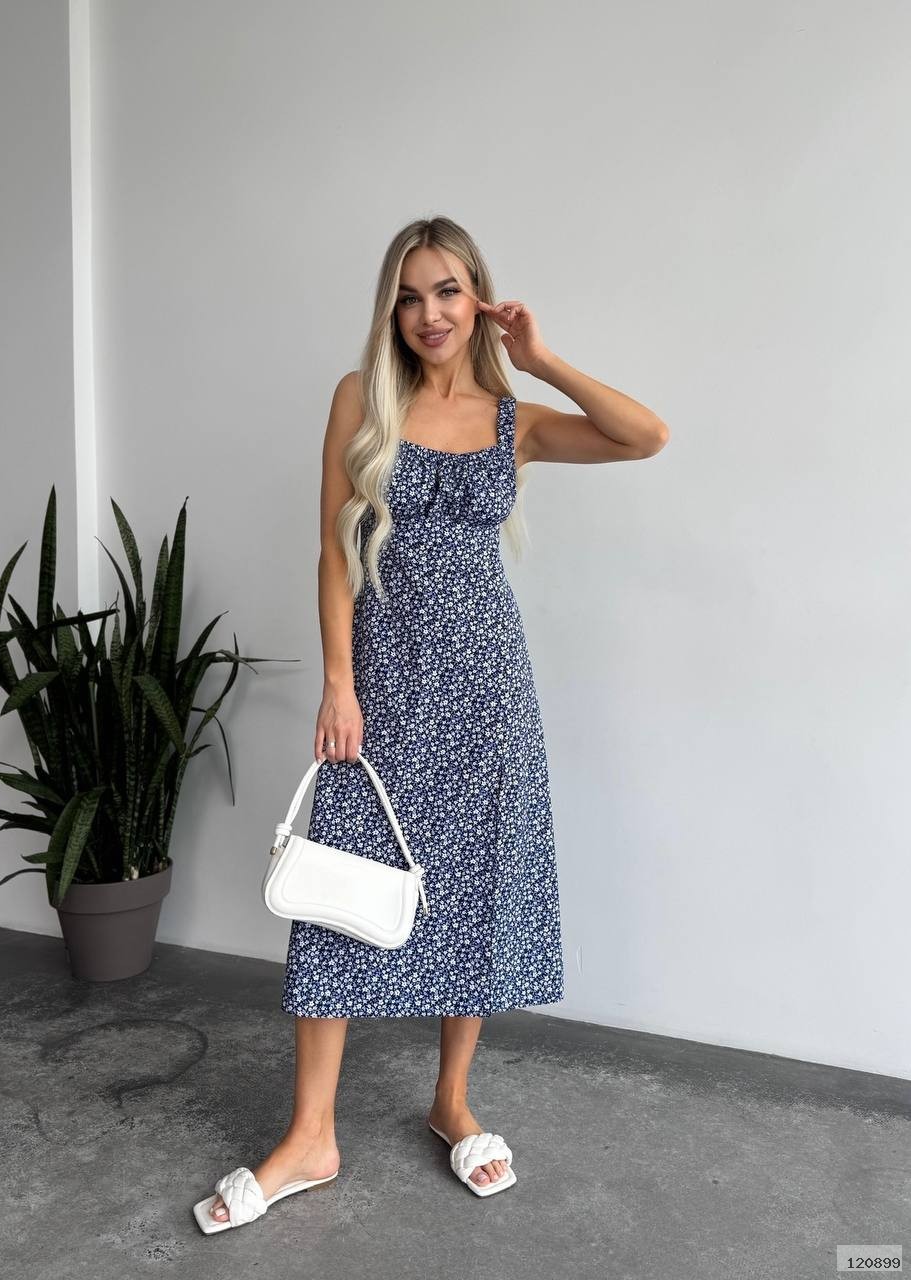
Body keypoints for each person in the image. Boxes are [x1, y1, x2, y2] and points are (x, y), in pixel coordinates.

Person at [199, 215, 669, 1230]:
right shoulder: (358, 400)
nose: (428, 314)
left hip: (488, 691)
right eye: (409, 296)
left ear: (477, 297)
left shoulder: (512, 418)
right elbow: (334, 550)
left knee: (476, 885)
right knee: (335, 892)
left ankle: (451, 1100)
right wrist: (339, 681)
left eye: (447, 291)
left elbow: (645, 436)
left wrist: (540, 359)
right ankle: (310, 1134)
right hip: (381, 685)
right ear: (391, 309)